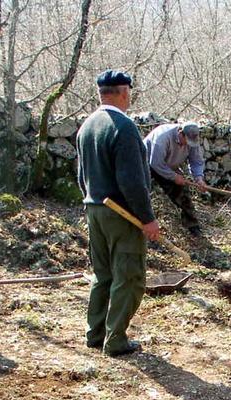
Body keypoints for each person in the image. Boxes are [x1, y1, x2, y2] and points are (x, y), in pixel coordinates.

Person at [76, 70, 160, 357]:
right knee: (129, 276)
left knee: (103, 275)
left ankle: (95, 334)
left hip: (94, 209)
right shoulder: (122, 127)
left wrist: (92, 202)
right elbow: (132, 181)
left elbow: (81, 176)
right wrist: (147, 218)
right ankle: (115, 341)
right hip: (121, 214)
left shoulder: (87, 126)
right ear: (124, 91)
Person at [144, 121, 208, 237]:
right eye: (186, 141)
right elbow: (156, 163)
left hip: (168, 166)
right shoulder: (162, 138)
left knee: (183, 193)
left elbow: (196, 161)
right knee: (144, 193)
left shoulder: (192, 141)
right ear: (180, 133)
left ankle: (192, 226)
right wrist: (174, 177)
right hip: (147, 164)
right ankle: (145, 226)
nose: (187, 144)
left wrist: (199, 178)